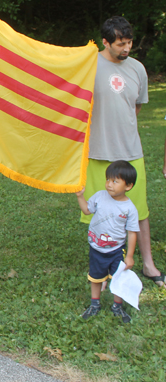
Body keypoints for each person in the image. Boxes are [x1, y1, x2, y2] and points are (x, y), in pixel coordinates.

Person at [81, 16, 165, 287]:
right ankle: (105, 265)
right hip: (97, 151)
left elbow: (136, 108)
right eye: (120, 44)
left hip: (129, 150)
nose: (126, 48)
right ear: (105, 42)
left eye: (129, 42)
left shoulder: (138, 69)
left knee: (139, 210)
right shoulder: (88, 65)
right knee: (101, 211)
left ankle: (148, 264)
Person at [76, 161, 139, 323]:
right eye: (108, 180)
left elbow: (132, 233)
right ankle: (94, 304)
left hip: (116, 250)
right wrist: (80, 196)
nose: (109, 184)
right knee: (95, 277)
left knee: (118, 277)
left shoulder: (130, 209)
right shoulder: (99, 196)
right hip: (96, 249)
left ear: (128, 186)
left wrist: (129, 256)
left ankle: (117, 305)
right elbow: (86, 210)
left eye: (115, 181)